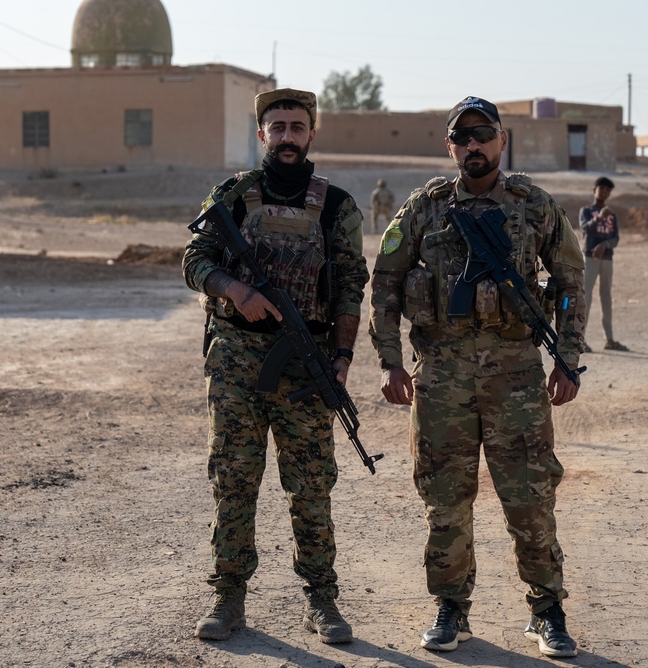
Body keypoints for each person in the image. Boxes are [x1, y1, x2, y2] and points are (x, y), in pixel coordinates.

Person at [368, 96, 585, 658]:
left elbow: (569, 281)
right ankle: (451, 608)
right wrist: (390, 360)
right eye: (462, 137)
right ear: (450, 146)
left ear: (501, 139)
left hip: (516, 375)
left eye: (482, 134)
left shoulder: (534, 205)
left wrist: (566, 358)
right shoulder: (425, 207)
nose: (473, 145)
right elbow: (386, 283)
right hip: (440, 376)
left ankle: (547, 611)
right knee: (445, 498)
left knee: (531, 497)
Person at [181, 88, 369, 644]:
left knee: (311, 485)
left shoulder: (336, 205)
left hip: (306, 362)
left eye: (297, 126)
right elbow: (194, 260)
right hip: (237, 356)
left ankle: (322, 600)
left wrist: (341, 356)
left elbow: (352, 285)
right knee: (234, 481)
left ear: (312, 133)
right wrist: (234, 288)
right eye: (277, 127)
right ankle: (228, 596)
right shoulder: (232, 196)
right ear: (262, 134)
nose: (287, 136)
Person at [578, 176, 628, 352]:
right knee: (586, 298)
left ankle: (609, 339)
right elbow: (585, 229)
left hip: (607, 259)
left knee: (606, 299)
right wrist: (599, 217)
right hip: (590, 258)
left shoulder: (611, 215)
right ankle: (580, 339)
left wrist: (604, 244)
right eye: (602, 189)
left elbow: (615, 238)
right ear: (595, 190)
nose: (604, 192)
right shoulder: (586, 210)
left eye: (608, 190)